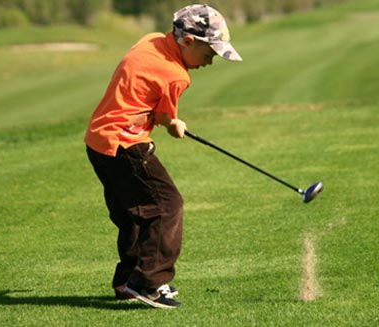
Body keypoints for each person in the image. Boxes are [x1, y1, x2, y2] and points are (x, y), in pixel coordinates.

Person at [85, 4, 242, 309]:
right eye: (209, 55)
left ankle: (128, 281)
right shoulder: (176, 76)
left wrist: (161, 118)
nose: (209, 63)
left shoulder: (150, 40)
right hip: (126, 144)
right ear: (188, 42)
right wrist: (174, 124)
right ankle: (149, 282)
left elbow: (144, 94)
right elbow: (165, 118)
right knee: (167, 205)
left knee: (134, 212)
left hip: (97, 141)